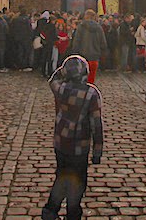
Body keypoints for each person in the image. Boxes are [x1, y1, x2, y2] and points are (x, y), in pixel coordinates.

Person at [41, 55, 104, 220]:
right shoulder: (91, 93)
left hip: (61, 144)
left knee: (61, 177)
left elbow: (52, 80)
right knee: (78, 182)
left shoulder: (61, 89)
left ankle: (50, 211)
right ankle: (73, 213)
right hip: (80, 147)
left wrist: (62, 70)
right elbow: (96, 125)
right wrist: (97, 151)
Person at [71, 9, 108, 84]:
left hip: (82, 57)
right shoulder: (99, 28)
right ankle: (89, 93)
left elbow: (76, 42)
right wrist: (102, 53)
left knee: (81, 79)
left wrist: (74, 54)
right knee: (91, 79)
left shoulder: (81, 27)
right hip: (94, 56)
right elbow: (103, 43)